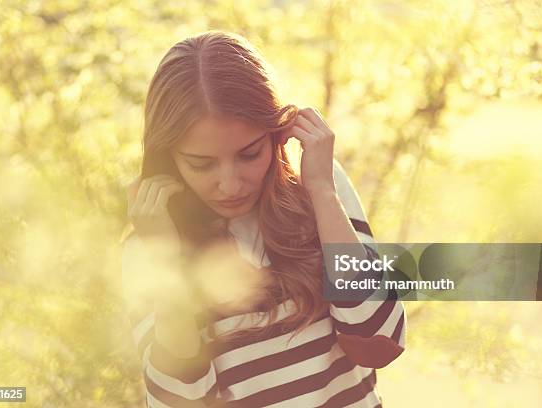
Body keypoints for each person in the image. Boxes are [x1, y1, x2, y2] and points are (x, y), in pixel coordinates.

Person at [121, 30, 406, 408]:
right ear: (168, 156)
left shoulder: (321, 189)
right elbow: (181, 401)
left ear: (274, 133)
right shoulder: (147, 247)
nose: (230, 183)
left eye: (249, 154)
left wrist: (321, 190)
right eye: (202, 164)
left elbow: (380, 340)